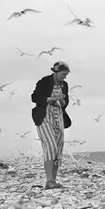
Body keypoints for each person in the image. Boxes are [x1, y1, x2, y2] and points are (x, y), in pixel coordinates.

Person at [31, 61, 71, 189]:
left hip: (58, 117)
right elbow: (35, 98)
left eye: (66, 74)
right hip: (44, 117)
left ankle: (53, 180)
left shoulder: (64, 85)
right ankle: (48, 180)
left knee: (58, 147)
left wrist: (63, 100)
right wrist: (53, 99)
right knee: (51, 146)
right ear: (56, 72)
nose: (65, 77)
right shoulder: (44, 82)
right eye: (63, 74)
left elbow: (65, 101)